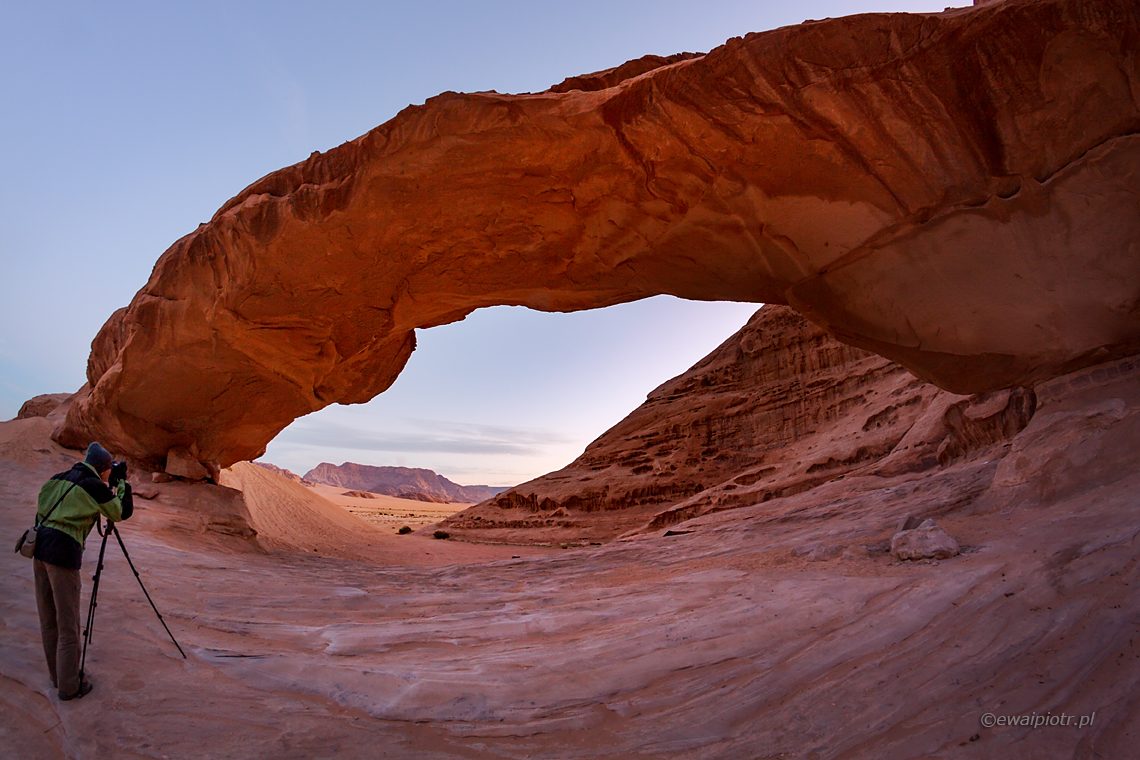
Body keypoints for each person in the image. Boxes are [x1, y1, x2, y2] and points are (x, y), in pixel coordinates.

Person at [33, 442, 133, 701]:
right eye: (109, 470)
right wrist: (123, 485)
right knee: (68, 624)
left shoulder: (58, 478)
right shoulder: (94, 486)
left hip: (40, 549)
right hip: (63, 554)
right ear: (102, 468)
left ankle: (57, 675)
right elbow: (121, 512)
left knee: (49, 618)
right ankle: (69, 686)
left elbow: (41, 507)